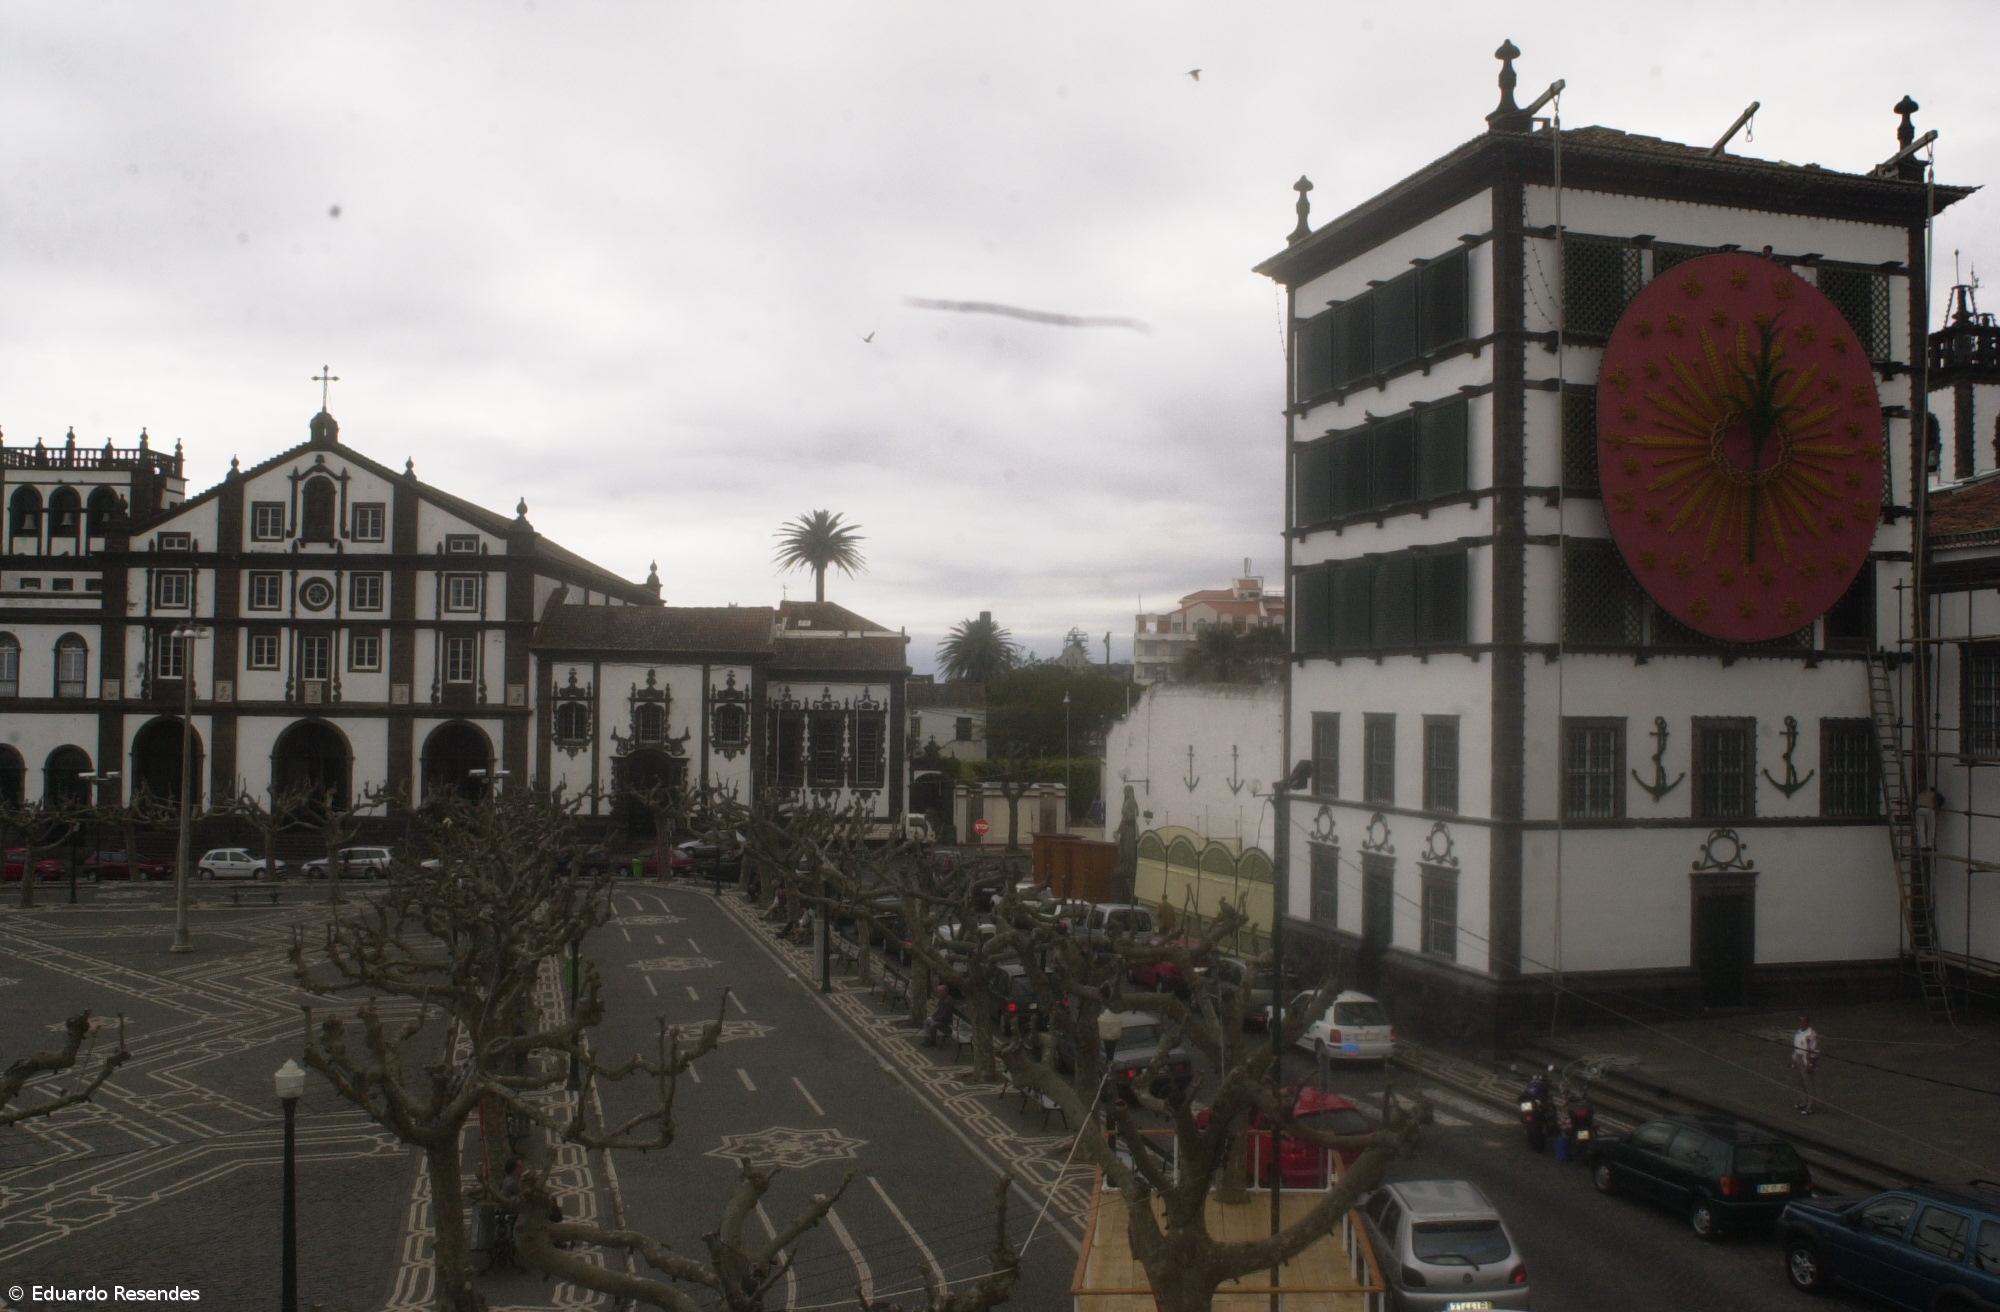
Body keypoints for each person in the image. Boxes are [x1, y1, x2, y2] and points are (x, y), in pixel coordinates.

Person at [1792, 1016, 1821, 1114]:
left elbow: (1814, 1050)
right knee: (1800, 1082)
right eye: (1800, 1021)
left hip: (1807, 1060)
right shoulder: (1798, 1032)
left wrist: (1811, 1063)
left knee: (1808, 1084)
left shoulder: (1811, 1034)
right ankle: (1803, 1102)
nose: (1801, 1023)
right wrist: (1794, 1059)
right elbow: (1796, 1047)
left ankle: (1810, 1106)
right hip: (1798, 1058)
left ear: (1807, 1023)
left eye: (1803, 1022)